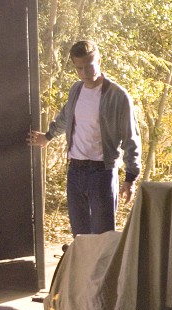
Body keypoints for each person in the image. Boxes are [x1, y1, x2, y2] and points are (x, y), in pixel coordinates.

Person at [28, 40, 142, 235]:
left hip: (102, 172)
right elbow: (66, 116)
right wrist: (48, 136)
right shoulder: (76, 89)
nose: (84, 73)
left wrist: (130, 178)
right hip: (75, 171)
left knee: (102, 237)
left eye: (89, 66)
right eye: (79, 68)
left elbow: (131, 137)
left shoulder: (117, 96)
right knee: (79, 235)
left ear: (99, 61)